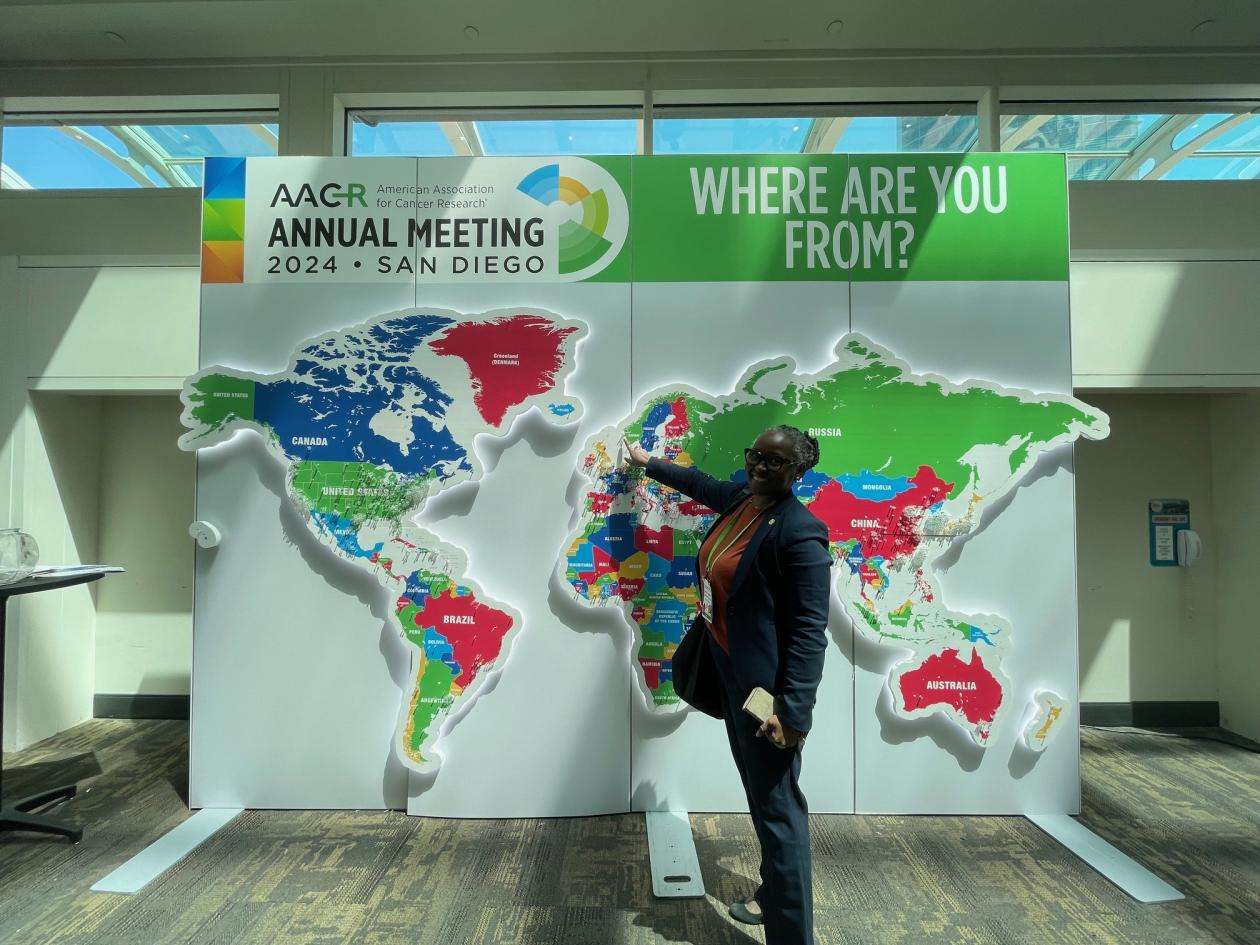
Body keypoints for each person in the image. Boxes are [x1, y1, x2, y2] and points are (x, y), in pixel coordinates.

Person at [626, 425, 831, 945]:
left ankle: (791, 935)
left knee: (778, 809)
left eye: (775, 462)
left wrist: (793, 714)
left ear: (799, 472)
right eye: (756, 456)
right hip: (731, 670)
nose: (761, 467)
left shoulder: (800, 532)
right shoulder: (743, 500)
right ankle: (770, 893)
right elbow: (700, 484)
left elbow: (810, 633)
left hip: (767, 697)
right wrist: (649, 462)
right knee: (760, 795)